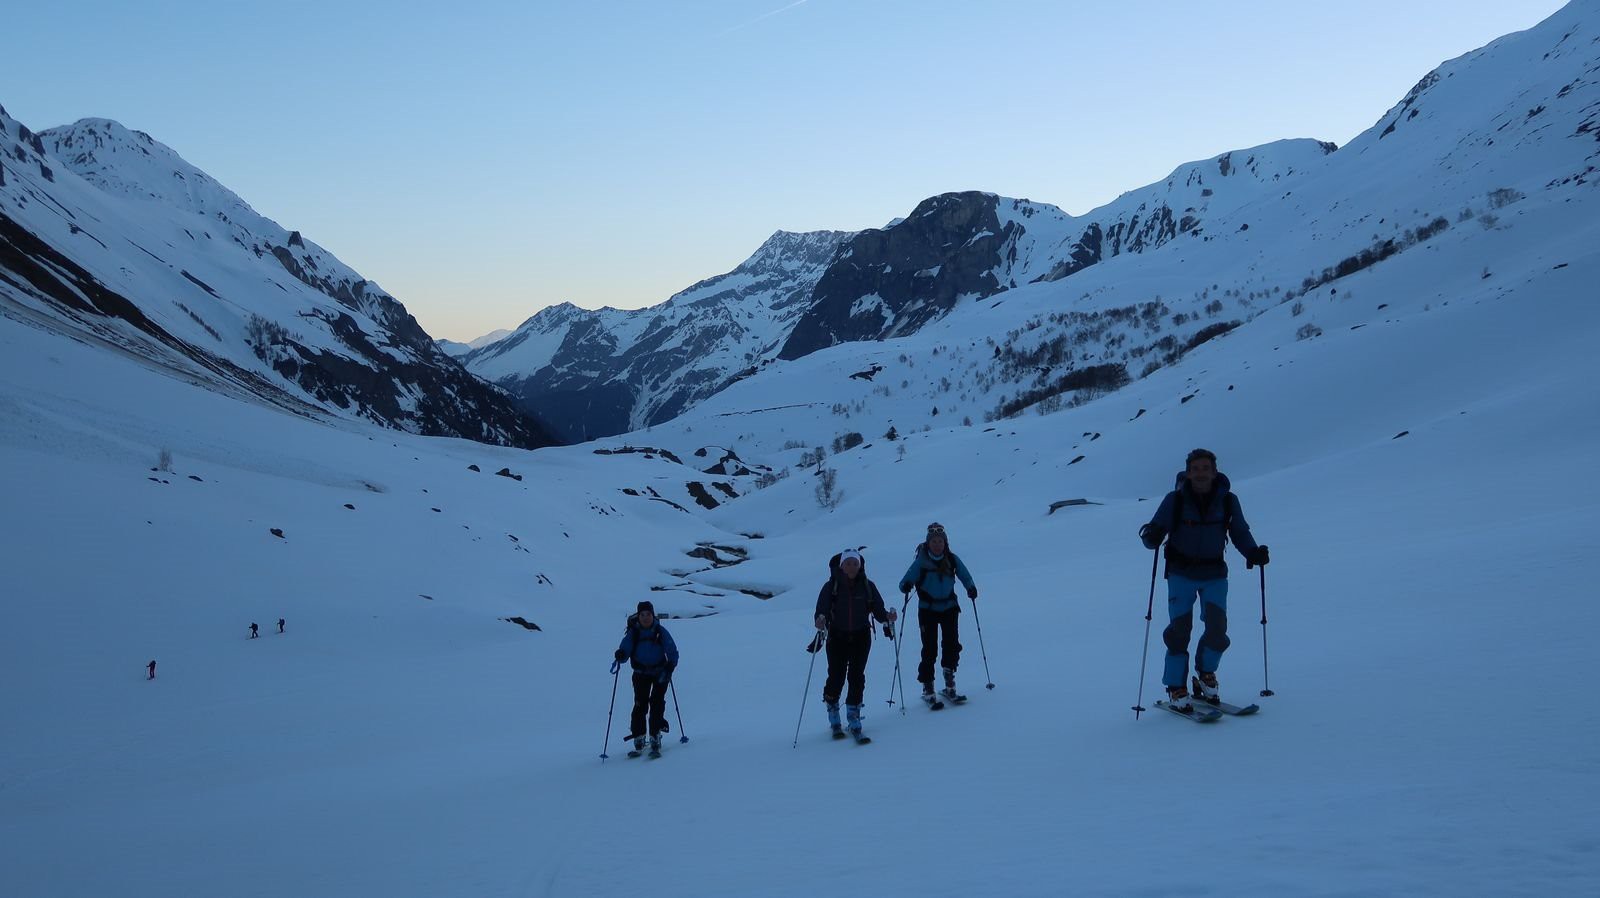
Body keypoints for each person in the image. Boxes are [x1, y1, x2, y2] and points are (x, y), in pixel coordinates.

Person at [1139, 448, 1269, 711]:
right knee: (1179, 632)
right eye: (1195, 469)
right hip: (1180, 574)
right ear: (1188, 472)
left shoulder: (1228, 501)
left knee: (1217, 631)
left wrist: (1253, 552)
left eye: (1205, 468)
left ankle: (1205, 673)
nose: (1200, 473)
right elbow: (1156, 529)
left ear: (1214, 471)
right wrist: (1150, 536)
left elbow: (1240, 532)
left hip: (1215, 574)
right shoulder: (1174, 500)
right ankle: (1176, 685)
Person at [814, 549, 896, 739]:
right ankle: (833, 711)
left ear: (860, 566)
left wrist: (887, 618)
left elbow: (878, 609)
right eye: (848, 563)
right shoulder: (831, 586)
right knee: (836, 676)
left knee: (857, 676)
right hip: (837, 636)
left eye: (855, 563)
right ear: (841, 566)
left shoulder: (867, 586)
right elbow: (822, 609)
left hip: (861, 636)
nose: (851, 567)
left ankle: (853, 716)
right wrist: (820, 619)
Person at [898, 522, 978, 703]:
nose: (937, 544)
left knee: (951, 644)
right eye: (934, 541)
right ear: (928, 543)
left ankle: (950, 682)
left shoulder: (952, 559)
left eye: (940, 541)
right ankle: (928, 685)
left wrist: (971, 587)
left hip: (949, 607)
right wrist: (906, 586)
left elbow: (965, 575)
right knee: (930, 648)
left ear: (945, 542)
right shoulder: (921, 561)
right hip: (928, 610)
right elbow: (904, 582)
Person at [614, 601, 679, 756]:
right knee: (640, 704)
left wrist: (670, 666)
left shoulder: (660, 631)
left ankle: (655, 736)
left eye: (648, 614)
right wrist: (621, 655)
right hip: (640, 674)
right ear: (638, 616)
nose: (645, 618)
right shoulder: (634, 633)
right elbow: (625, 650)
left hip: (660, 673)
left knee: (656, 703)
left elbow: (672, 651)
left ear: (652, 615)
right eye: (642, 615)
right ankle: (639, 736)